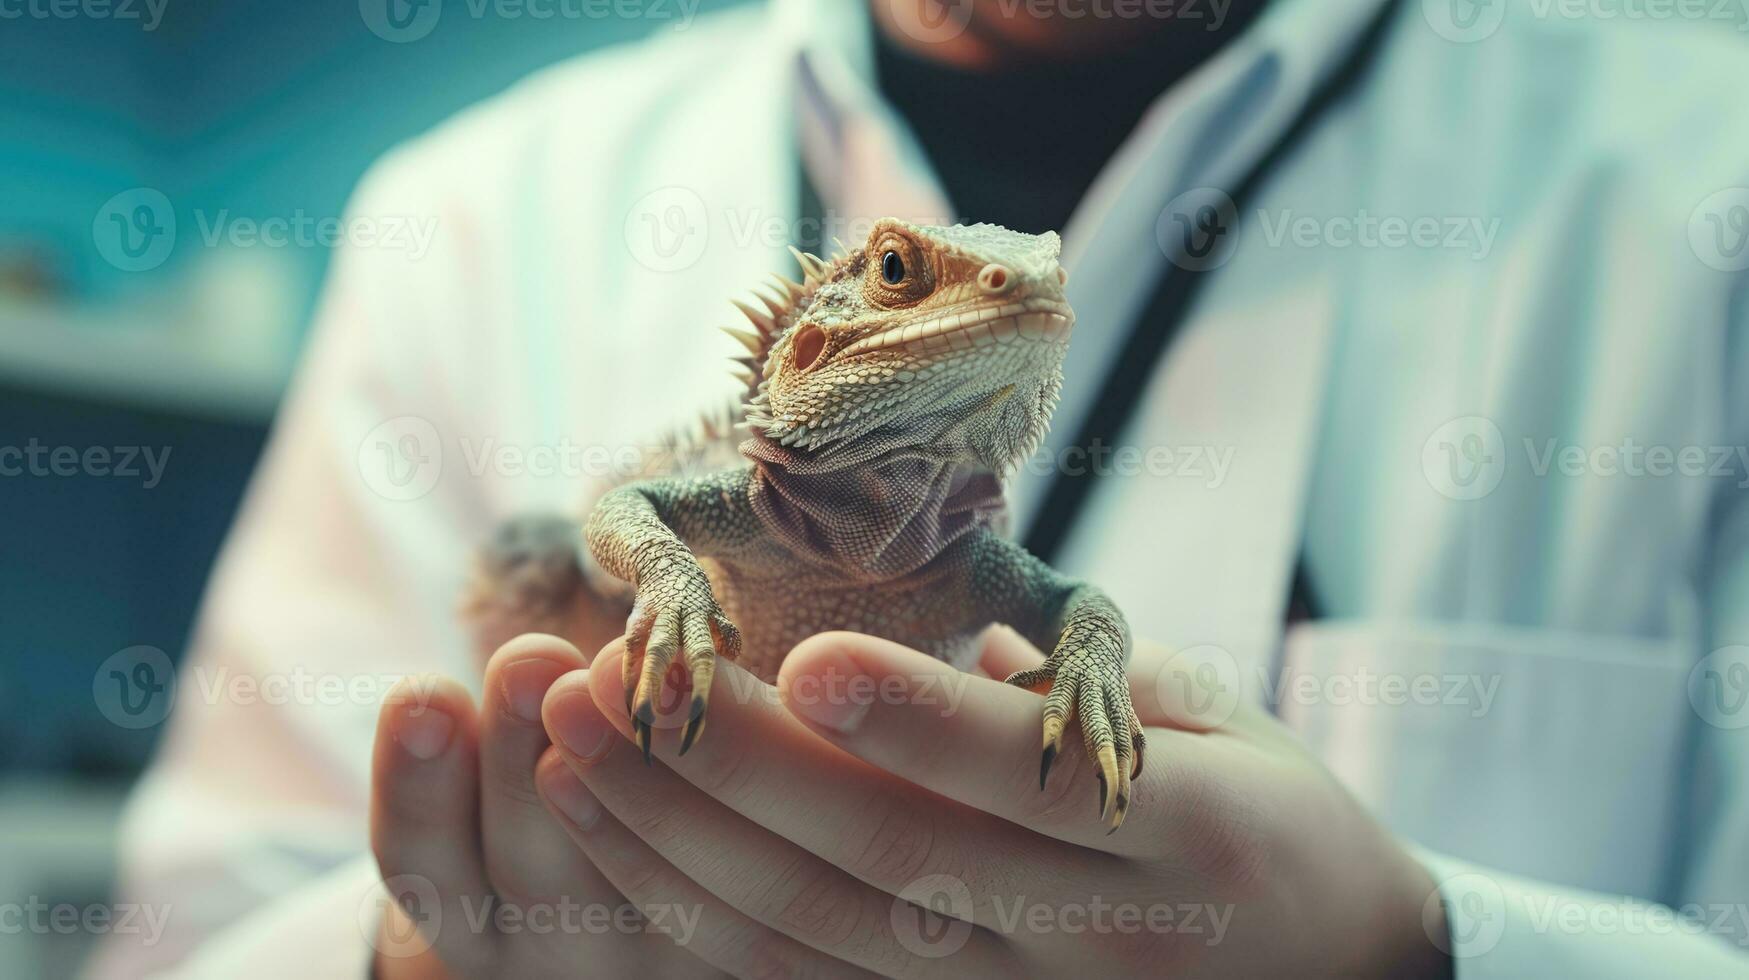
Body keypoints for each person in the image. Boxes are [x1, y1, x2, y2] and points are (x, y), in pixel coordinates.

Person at [91, 0, 1749, 976]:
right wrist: (414, 950)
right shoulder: (466, 211)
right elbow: (192, 935)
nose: (1007, 291)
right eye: (908, 281)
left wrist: (1427, 947)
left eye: (1021, 284)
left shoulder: (1703, 168)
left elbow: (1071, 610)